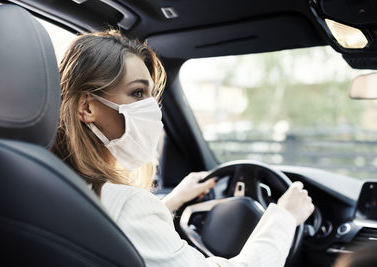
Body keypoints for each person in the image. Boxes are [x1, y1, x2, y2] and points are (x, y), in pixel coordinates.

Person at [52, 30, 314, 267]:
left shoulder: (53, 183)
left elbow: (124, 235)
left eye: (152, 96)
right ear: (87, 107)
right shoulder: (127, 205)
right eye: (137, 93)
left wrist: (172, 201)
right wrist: (284, 218)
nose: (152, 109)